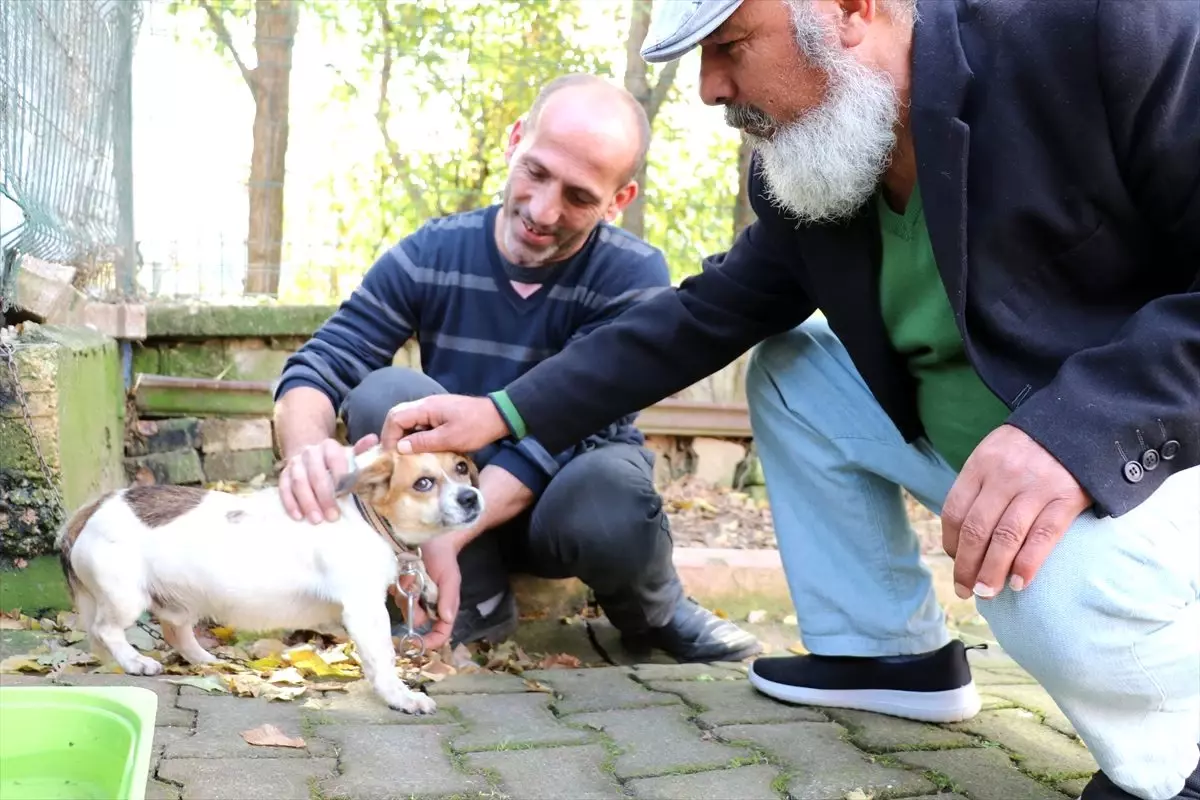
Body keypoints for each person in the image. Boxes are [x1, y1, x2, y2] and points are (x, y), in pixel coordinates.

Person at [374, 2, 1200, 799]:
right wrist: (504, 412)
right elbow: (699, 317)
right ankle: (886, 658)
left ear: (847, 7)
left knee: (1044, 595)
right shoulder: (819, 173)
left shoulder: (1102, 31)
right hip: (987, 449)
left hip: (1151, 448)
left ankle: (1174, 764)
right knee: (794, 367)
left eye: (730, 44)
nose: (707, 88)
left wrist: (1077, 428)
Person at [271, 73, 763, 665]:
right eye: (536, 172)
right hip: (451, 494)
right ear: (514, 142)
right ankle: (473, 603)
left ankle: (651, 612)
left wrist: (453, 531)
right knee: (387, 394)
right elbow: (322, 363)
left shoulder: (632, 275)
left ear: (618, 200)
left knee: (611, 493)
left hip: (563, 503)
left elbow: (578, 425)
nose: (542, 210)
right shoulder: (432, 251)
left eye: (580, 197)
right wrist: (305, 453)